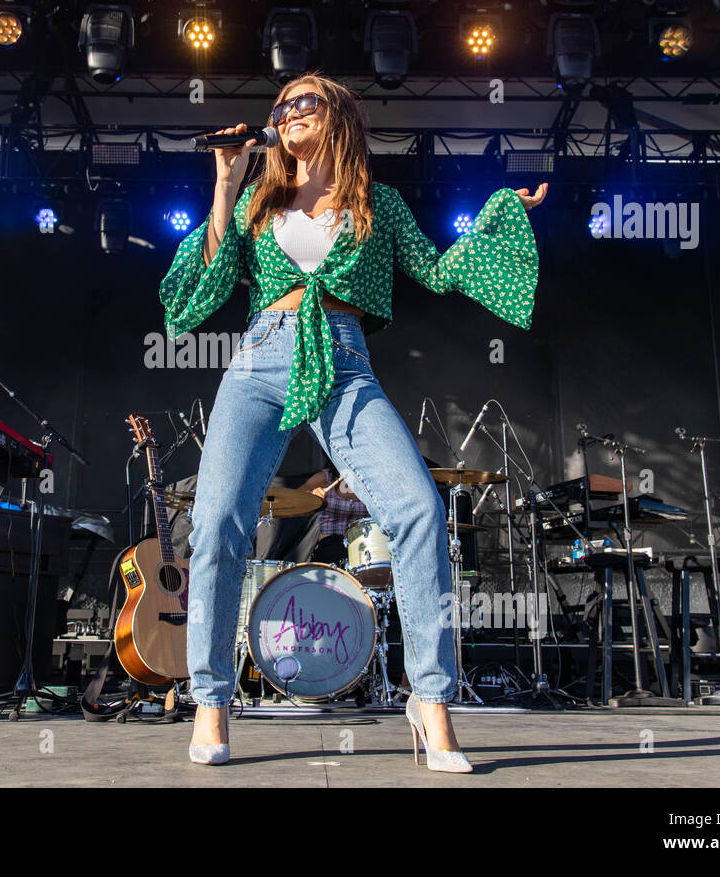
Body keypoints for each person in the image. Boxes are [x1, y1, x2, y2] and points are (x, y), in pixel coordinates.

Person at [159, 72, 546, 771]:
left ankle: (429, 701)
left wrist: (499, 213)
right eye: (280, 106)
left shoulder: (380, 205)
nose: (286, 112)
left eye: (302, 100)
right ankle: (213, 700)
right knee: (216, 523)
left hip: (344, 362)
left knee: (420, 510)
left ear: (337, 116)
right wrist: (223, 183)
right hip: (259, 362)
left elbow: (436, 269)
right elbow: (206, 288)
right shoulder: (256, 199)